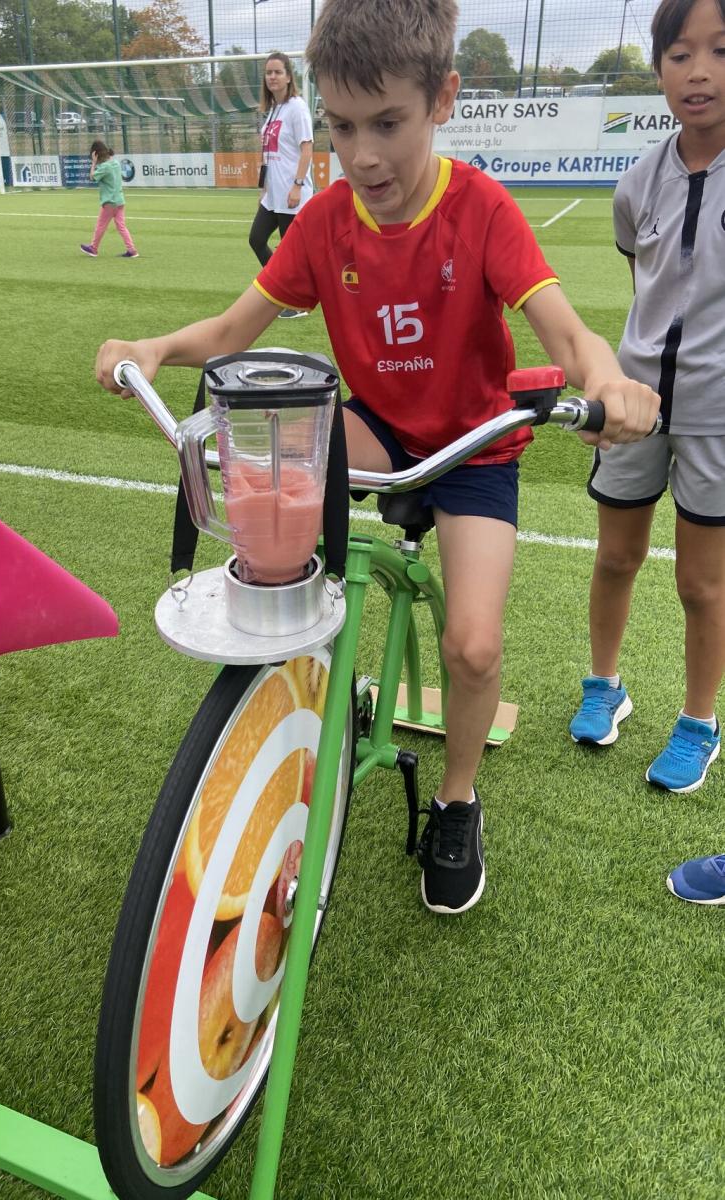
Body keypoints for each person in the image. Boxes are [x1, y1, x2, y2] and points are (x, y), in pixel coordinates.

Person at [96, 0, 659, 915]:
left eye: (388, 123)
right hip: (380, 429)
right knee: (268, 475)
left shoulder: (481, 208)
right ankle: (300, 671)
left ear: (444, 99)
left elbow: (565, 331)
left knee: (472, 645)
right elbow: (235, 331)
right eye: (343, 126)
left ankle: (458, 801)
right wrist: (153, 348)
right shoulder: (324, 221)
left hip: (474, 446)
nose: (362, 156)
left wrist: (607, 380)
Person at [569, 0, 725, 796]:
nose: (699, 72)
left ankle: (699, 722)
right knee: (615, 557)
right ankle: (606, 686)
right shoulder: (637, 182)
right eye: (680, 54)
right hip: (633, 406)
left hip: (716, 416)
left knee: (702, 583)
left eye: (721, 51)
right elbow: (644, 282)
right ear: (659, 67)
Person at [249, 52, 314, 318]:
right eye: (268, 73)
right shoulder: (274, 109)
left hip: (291, 193)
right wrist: (264, 190)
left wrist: (297, 185)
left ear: (289, 76)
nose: (272, 77)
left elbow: (307, 149)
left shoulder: (297, 107)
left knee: (292, 254)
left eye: (278, 72)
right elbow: (269, 155)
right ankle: (280, 291)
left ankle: (297, 304)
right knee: (256, 240)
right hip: (273, 195)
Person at [80, 140, 139, 259]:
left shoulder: (104, 167)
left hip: (110, 202)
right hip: (120, 200)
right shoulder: (115, 163)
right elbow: (108, 163)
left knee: (100, 226)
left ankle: (93, 248)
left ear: (96, 154)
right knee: (121, 226)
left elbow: (92, 177)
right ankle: (132, 250)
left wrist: (93, 163)